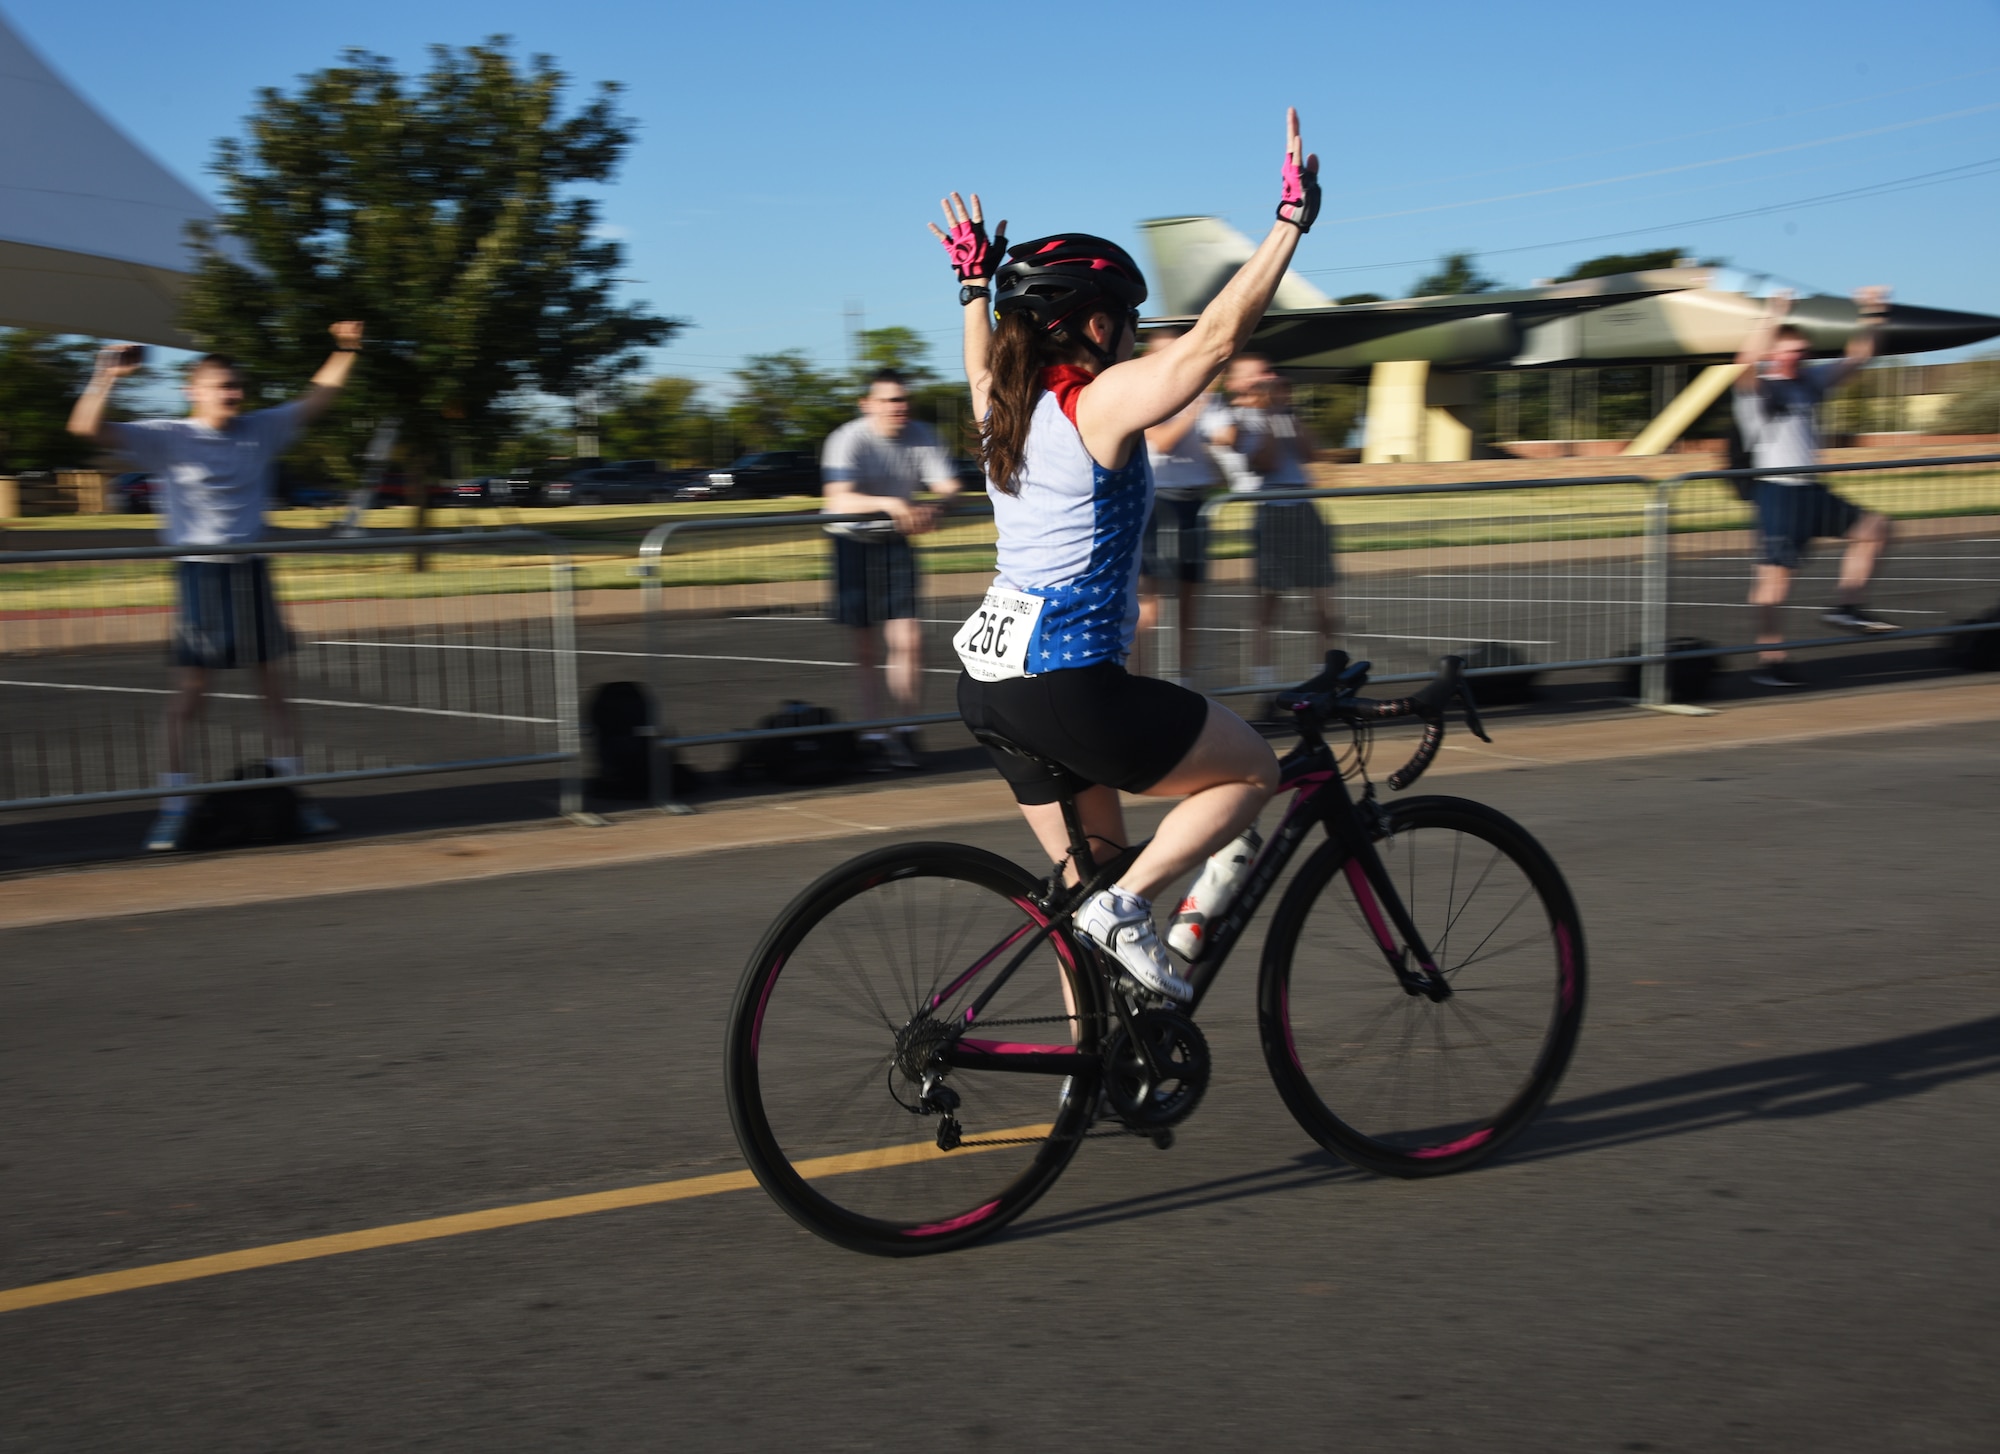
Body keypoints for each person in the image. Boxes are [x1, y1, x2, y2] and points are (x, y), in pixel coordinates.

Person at [933, 107, 1318, 1002]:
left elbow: (980, 356)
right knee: (1254, 770)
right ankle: (1132, 908)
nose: (1136, 332)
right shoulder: (1092, 403)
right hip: (1069, 684)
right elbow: (1216, 344)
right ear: (1091, 325)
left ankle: (1089, 1074)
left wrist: (970, 290)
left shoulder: (1002, 406)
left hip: (992, 687)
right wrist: (1288, 227)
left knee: (1081, 894)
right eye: (1125, 317)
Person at [67, 323, 365, 849]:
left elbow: (320, 398)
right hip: (201, 574)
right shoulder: (167, 437)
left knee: (275, 690)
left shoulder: (260, 429)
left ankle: (294, 797)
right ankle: (174, 807)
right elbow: (85, 428)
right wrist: (106, 374)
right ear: (194, 390)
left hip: (250, 570)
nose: (233, 394)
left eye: (237, 386)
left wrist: (345, 348)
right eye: (222, 385)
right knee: (190, 696)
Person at [1732, 286, 1896, 688]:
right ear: (1774, 352)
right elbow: (1743, 360)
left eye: (1803, 352)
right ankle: (1770, 662)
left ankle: (1847, 606)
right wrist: (1772, 316)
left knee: (1876, 528)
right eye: (1791, 351)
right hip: (1778, 491)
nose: (1798, 358)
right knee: (1774, 582)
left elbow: (1859, 356)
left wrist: (1872, 313)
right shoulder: (1757, 391)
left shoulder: (1810, 382)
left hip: (1811, 489)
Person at [820, 369, 963, 768]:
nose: (897, 408)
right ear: (867, 404)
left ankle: (906, 729)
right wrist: (894, 504)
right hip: (851, 541)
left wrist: (939, 505)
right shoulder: (848, 439)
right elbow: (837, 497)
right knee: (865, 647)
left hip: (895, 543)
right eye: (887, 401)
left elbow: (949, 486)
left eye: (902, 400)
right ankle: (873, 733)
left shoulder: (922, 435)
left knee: (910, 639)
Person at [1210, 355, 1337, 686]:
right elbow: (1262, 462)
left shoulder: (1287, 416)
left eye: (1270, 374)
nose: (1269, 380)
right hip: (1271, 508)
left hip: (1304, 506)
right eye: (1258, 377)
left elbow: (1311, 453)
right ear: (1238, 383)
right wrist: (1266, 414)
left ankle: (1324, 677)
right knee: (1270, 602)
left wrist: (1289, 411)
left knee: (1323, 600)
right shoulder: (1237, 420)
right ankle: (1265, 684)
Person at [1134, 328, 1225, 683]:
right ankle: (1134, 683)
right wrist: (1197, 404)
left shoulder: (1206, 395)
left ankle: (1182, 685)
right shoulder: (1144, 395)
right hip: (1160, 504)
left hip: (1194, 504)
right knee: (1150, 607)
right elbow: (1163, 442)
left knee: (1189, 605)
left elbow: (1222, 439)